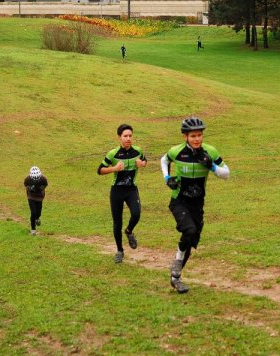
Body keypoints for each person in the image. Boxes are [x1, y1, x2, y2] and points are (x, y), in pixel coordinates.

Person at [161, 116, 230, 294]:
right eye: (193, 136)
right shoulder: (177, 151)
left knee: (191, 239)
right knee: (189, 231)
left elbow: (226, 174)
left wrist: (212, 166)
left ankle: (175, 277)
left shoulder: (210, 152)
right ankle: (176, 271)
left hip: (197, 203)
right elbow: (164, 160)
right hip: (179, 201)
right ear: (185, 137)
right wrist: (167, 178)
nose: (197, 139)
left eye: (200, 135)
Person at [98, 124, 147, 263]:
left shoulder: (137, 151)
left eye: (130, 136)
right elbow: (100, 170)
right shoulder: (113, 154)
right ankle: (120, 250)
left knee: (136, 214)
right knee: (117, 223)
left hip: (131, 189)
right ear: (119, 137)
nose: (128, 138)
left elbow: (144, 160)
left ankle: (129, 231)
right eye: (125, 136)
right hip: (117, 191)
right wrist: (114, 168)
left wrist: (142, 164)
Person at [24, 166, 48, 235]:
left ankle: (37, 218)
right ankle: (33, 230)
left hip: (40, 197)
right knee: (33, 212)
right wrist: (30, 188)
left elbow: (45, 184)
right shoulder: (27, 179)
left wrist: (41, 188)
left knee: (38, 212)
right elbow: (25, 184)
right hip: (31, 197)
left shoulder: (43, 178)